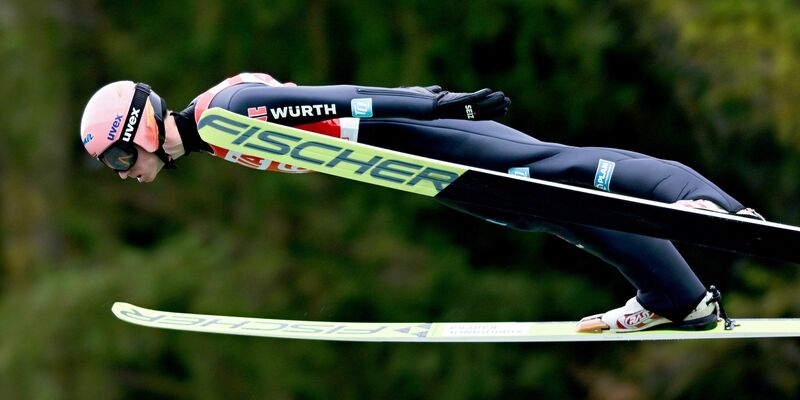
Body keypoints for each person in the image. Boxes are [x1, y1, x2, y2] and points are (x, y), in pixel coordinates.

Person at [79, 72, 758, 332]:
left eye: (117, 157)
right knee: (549, 211)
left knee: (566, 174)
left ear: (140, 128)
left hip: (422, 134)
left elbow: (346, 102)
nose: (121, 173)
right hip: (415, 165)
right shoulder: (214, 137)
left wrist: (439, 103)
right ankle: (679, 298)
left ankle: (708, 202)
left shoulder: (228, 112)